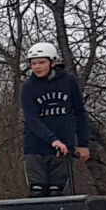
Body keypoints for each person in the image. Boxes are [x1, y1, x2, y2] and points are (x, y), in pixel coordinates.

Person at [18, 42, 92, 196]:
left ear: (52, 63)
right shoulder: (28, 87)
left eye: (41, 62)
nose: (37, 67)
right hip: (36, 147)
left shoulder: (69, 82)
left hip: (63, 147)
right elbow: (32, 119)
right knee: (37, 192)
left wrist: (83, 143)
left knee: (55, 192)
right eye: (34, 63)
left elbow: (79, 112)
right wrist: (53, 140)